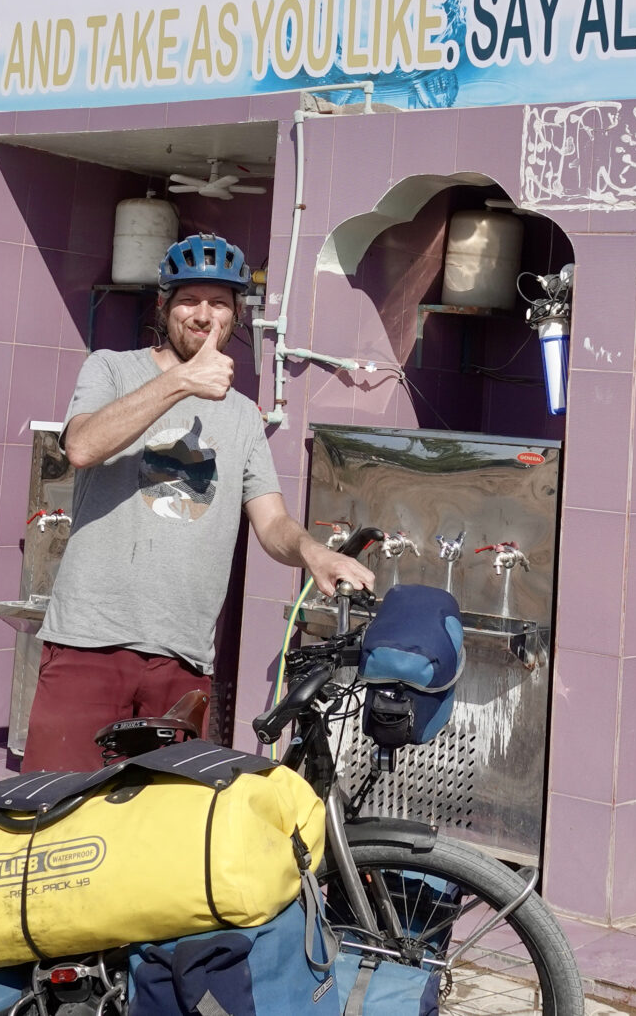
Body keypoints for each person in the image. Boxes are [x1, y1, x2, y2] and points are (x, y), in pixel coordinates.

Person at [22, 232, 374, 770]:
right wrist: (182, 382)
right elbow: (82, 445)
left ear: (236, 316)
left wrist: (313, 554)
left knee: (160, 831)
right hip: (88, 643)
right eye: (189, 300)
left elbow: (272, 520)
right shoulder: (111, 369)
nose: (203, 314)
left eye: (219, 303)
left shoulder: (242, 417)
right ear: (163, 307)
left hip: (183, 658)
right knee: (53, 816)